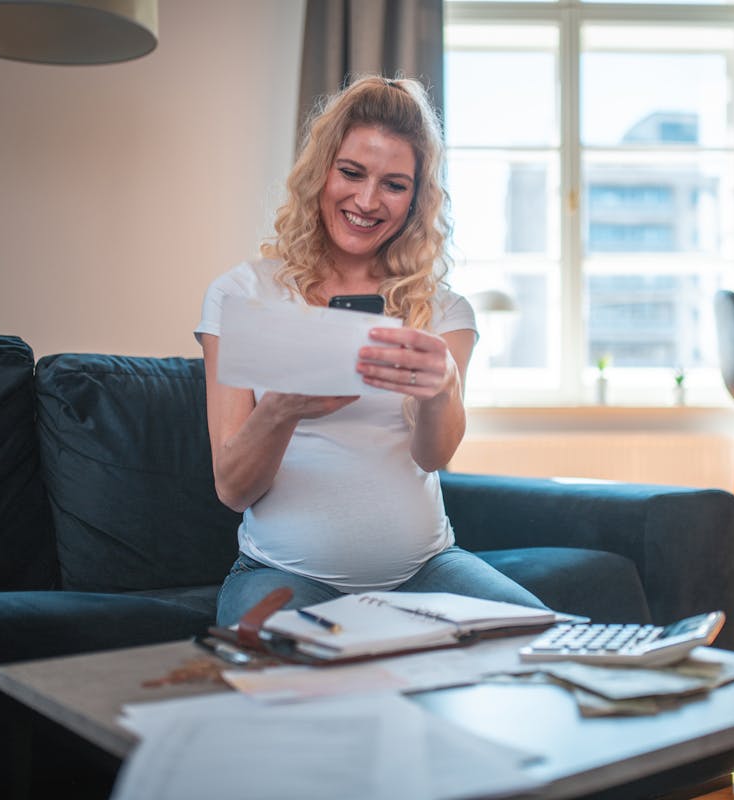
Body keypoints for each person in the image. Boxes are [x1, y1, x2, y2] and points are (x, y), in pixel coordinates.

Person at [195, 75, 545, 626]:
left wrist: (443, 387)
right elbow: (233, 488)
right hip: (281, 574)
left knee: (549, 645)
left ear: (417, 198)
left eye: (394, 184)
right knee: (274, 688)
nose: (365, 200)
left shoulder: (445, 310)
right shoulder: (243, 295)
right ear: (321, 172)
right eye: (351, 173)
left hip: (428, 570)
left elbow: (432, 456)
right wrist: (285, 406)